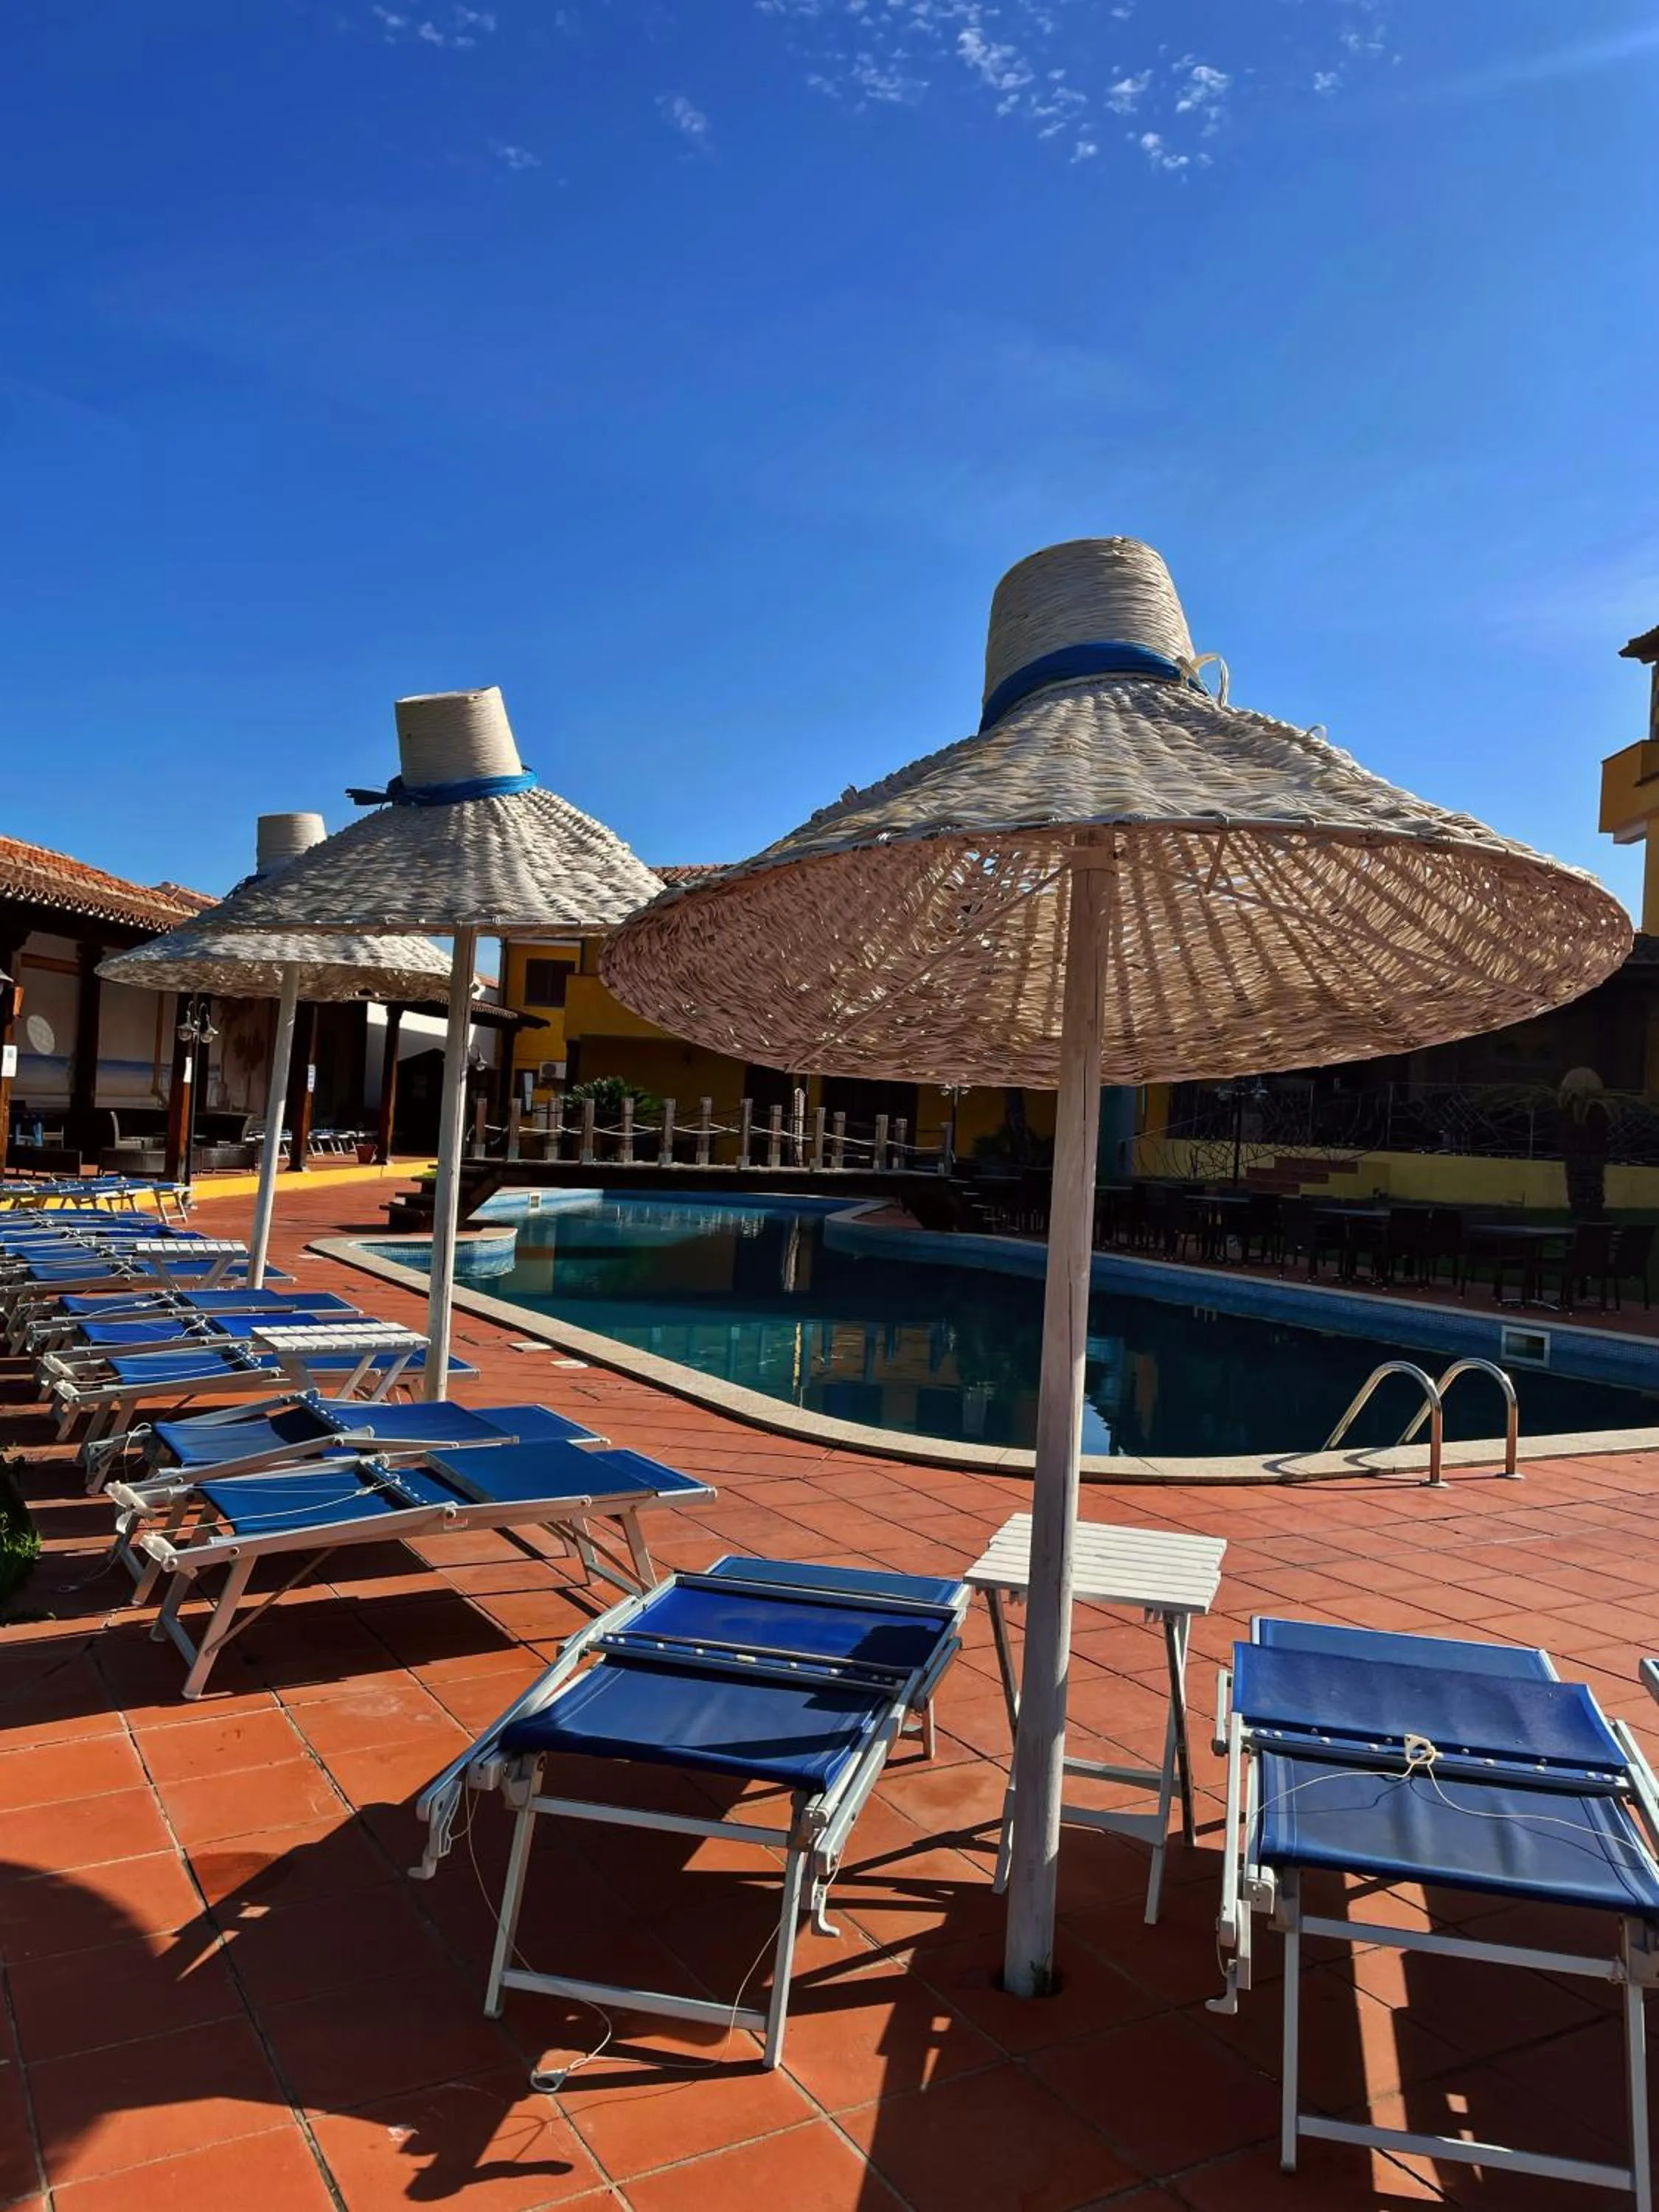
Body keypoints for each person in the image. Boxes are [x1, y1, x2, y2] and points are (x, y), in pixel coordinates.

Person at [1557, 1066, 1610, 1220]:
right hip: (1595, 1157)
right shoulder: (1602, 1111)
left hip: (1577, 1157)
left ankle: (1582, 1219)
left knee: (1579, 1190)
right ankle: (1593, 1218)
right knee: (1593, 1189)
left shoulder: (1567, 1112)